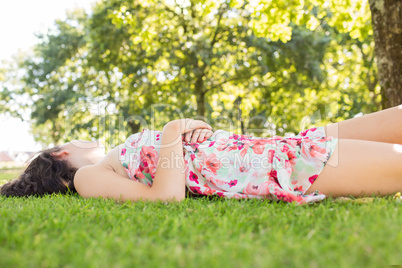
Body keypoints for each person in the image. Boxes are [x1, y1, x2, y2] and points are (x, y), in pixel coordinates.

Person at [2, 105, 402, 204]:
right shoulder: (87, 177)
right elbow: (166, 197)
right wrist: (174, 130)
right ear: (61, 153)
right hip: (282, 169)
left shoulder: (116, 159)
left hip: (286, 146)